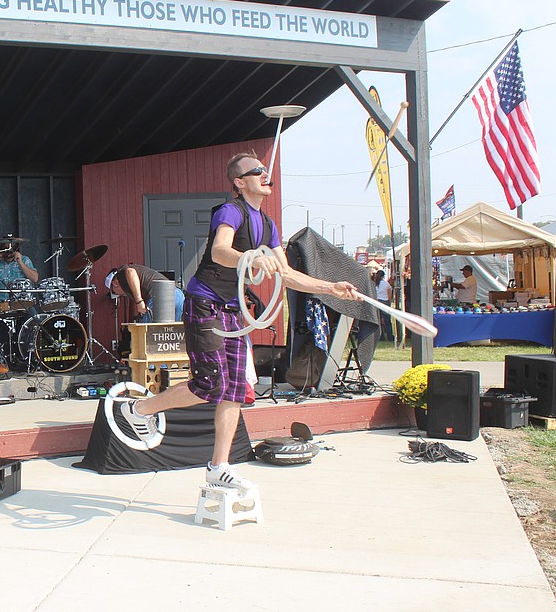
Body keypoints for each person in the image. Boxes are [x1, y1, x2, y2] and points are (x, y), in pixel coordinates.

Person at [120, 152, 359, 491]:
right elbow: (220, 251)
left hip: (233, 313)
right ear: (239, 182)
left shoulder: (270, 225)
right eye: (256, 170)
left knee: (232, 390)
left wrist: (330, 287)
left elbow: (287, 275)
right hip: (205, 306)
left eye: (265, 169)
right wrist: (253, 257)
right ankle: (141, 409)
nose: (265, 173)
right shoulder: (230, 211)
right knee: (210, 385)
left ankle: (218, 467)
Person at [106, 264, 184, 322]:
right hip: (177, 294)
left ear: (115, 284)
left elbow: (130, 272)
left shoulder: (121, 273)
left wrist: (139, 301)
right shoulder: (128, 283)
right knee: (173, 335)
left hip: (160, 297)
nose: (119, 295)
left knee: (147, 335)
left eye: (114, 292)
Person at [0, 235, 39, 304]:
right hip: (1, 303)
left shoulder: (24, 260)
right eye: (6, 250)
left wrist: (20, 263)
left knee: (34, 315)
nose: (9, 254)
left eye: (11, 250)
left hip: (22, 301)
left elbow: (35, 279)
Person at [374, 269, 394, 341]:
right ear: (383, 276)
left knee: (379, 321)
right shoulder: (386, 284)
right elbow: (389, 293)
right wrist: (390, 301)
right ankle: (390, 337)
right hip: (385, 302)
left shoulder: (375, 284)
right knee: (387, 321)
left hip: (377, 301)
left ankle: (381, 337)